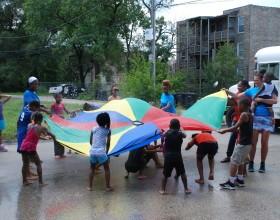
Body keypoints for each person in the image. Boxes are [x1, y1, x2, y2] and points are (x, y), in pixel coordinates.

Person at [226, 73, 278, 173]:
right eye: (254, 80)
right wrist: (226, 92)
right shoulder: (251, 90)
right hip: (255, 118)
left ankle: (262, 164)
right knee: (253, 143)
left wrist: (261, 99)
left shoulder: (270, 88)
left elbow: (275, 101)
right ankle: (251, 163)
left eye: (257, 80)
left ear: (262, 80)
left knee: (264, 143)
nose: (255, 82)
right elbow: (237, 96)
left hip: (267, 118)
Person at [218, 98, 253, 190]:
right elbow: (243, 127)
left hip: (243, 143)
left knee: (234, 161)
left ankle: (231, 182)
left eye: (239, 104)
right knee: (240, 161)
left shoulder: (243, 114)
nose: (237, 106)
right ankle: (240, 180)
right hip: (247, 143)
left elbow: (234, 127)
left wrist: (224, 130)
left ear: (243, 105)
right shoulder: (250, 114)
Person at [20, 112, 55, 186]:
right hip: (31, 147)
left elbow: (33, 135)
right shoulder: (42, 127)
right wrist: (54, 138)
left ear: (34, 119)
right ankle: (41, 182)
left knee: (25, 164)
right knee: (38, 164)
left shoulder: (29, 125)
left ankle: (24, 181)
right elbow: (50, 134)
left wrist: (43, 138)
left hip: (23, 146)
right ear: (41, 120)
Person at [221, 80, 250, 163]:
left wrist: (227, 91)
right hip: (236, 118)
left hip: (244, 119)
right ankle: (228, 156)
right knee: (233, 138)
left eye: (240, 86)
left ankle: (245, 158)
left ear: (245, 87)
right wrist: (225, 95)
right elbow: (232, 102)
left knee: (242, 139)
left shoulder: (247, 94)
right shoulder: (238, 93)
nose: (238, 87)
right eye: (238, 85)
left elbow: (237, 97)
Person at [160, 119, 191, 195]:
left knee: (165, 174)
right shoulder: (180, 134)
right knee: (182, 172)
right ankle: (186, 189)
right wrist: (182, 129)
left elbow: (162, 137)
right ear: (178, 126)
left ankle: (162, 190)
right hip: (177, 155)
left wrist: (162, 143)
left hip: (168, 156)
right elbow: (185, 135)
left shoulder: (167, 133)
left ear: (170, 125)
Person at [88, 112, 113, 192]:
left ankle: (90, 187)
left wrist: (94, 147)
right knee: (106, 169)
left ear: (97, 121)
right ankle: (107, 187)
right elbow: (108, 143)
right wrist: (107, 153)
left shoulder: (93, 129)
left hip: (92, 151)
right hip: (101, 152)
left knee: (92, 169)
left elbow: (90, 141)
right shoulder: (108, 130)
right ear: (107, 121)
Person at [51, 93, 71, 159]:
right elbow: (51, 114)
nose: (60, 99)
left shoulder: (62, 104)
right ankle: (57, 154)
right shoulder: (53, 105)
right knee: (56, 138)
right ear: (55, 98)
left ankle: (61, 153)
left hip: (62, 124)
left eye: (61, 97)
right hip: (56, 124)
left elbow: (68, 112)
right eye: (58, 97)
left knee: (62, 138)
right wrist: (58, 116)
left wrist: (73, 112)